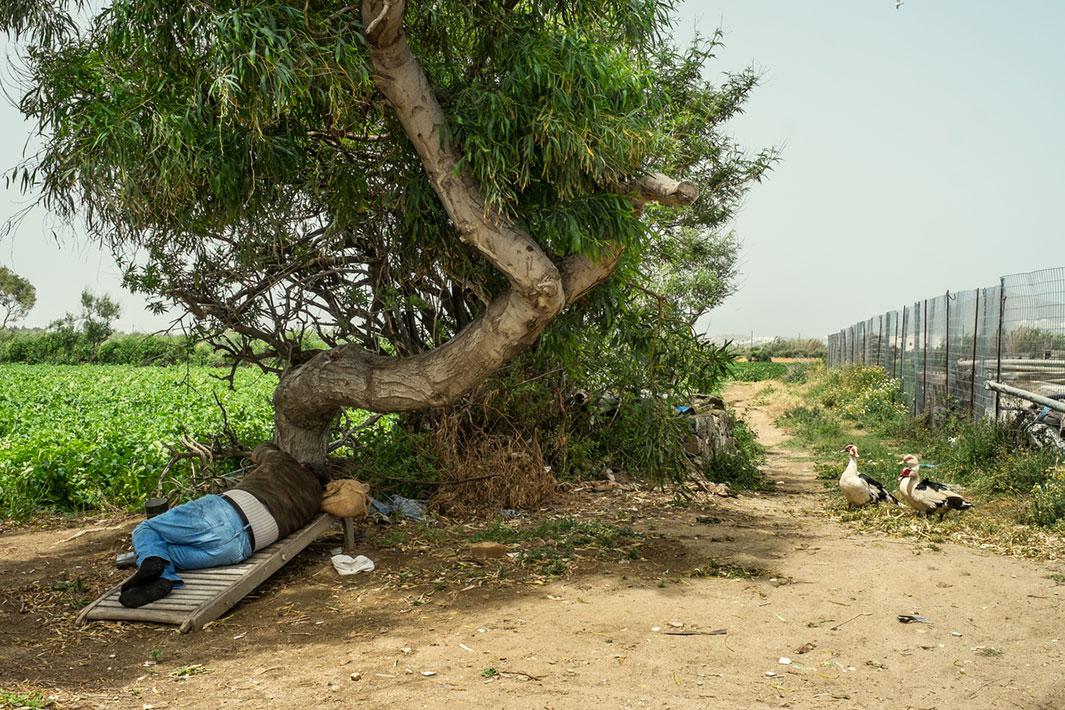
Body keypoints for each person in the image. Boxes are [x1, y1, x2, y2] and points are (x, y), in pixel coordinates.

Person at [120, 443, 326, 608]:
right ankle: (162, 578)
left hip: (225, 513)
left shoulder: (285, 463)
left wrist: (269, 453)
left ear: (303, 466)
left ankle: (155, 566)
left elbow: (262, 449)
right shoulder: (315, 502)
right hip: (239, 549)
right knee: (168, 553)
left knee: (146, 529)